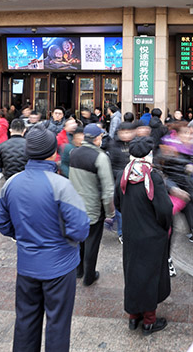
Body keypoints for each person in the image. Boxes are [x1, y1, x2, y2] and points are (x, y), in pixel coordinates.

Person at [0, 128, 89, 352]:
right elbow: (80, 229)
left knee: (26, 320)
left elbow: (3, 224)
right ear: (52, 153)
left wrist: (25, 237)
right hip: (60, 265)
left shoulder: (12, 183)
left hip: (27, 265)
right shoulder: (61, 185)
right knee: (57, 324)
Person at [115, 137, 172, 335]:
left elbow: (117, 203)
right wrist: (163, 227)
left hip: (132, 234)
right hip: (152, 235)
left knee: (132, 274)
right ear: (149, 154)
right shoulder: (152, 176)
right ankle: (149, 320)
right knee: (150, 276)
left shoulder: (124, 173)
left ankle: (133, 316)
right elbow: (165, 209)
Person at [69, 123, 115, 286]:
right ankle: (89, 276)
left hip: (75, 205)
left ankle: (78, 270)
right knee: (92, 242)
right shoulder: (100, 157)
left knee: (79, 240)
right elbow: (108, 189)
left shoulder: (74, 153)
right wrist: (110, 213)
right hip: (93, 207)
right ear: (96, 139)